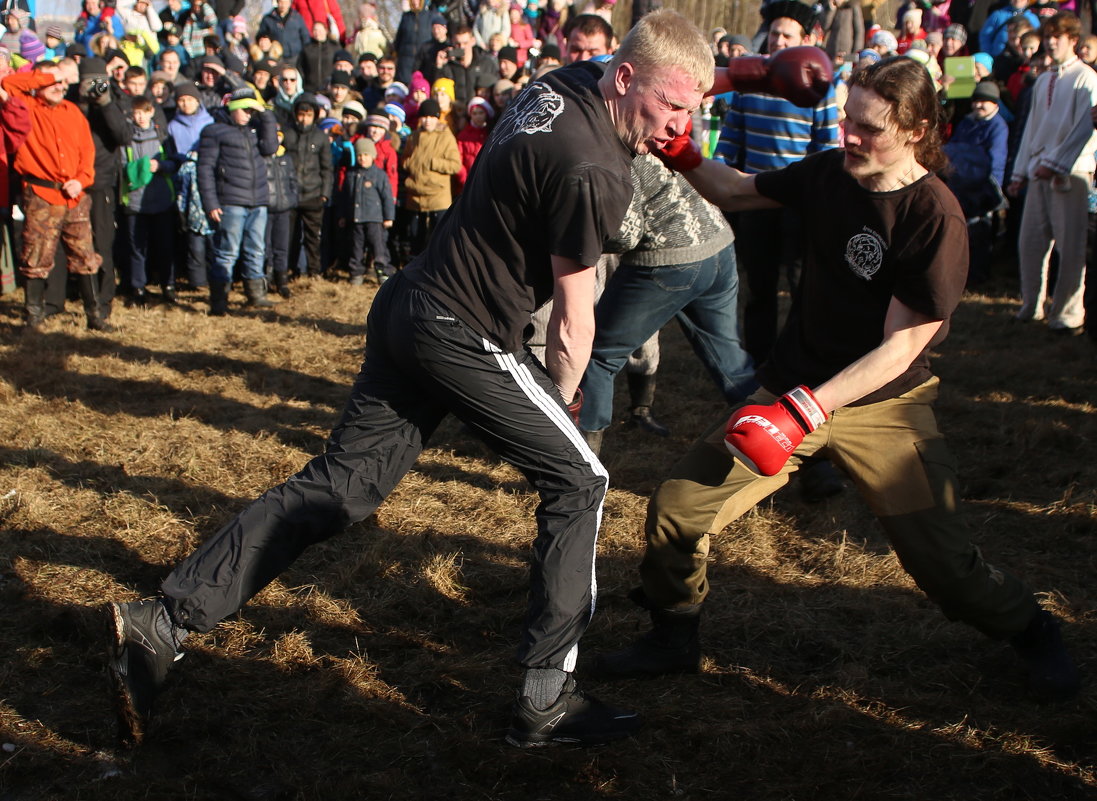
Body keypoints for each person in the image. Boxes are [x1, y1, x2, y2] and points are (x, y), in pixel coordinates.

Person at [105, 8, 831, 750]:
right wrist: (562, 399)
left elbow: (668, 90)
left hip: (410, 303)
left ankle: (162, 620)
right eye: (671, 107)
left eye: (691, 109)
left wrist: (723, 86)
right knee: (580, 481)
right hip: (462, 328)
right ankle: (546, 695)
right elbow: (575, 321)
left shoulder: (565, 82)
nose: (679, 125)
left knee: (344, 486)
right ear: (623, 78)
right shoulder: (595, 170)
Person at [595, 56, 1081, 705]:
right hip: (795, 383)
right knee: (678, 510)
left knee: (942, 565)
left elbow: (901, 345)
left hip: (883, 402)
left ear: (915, 129)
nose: (849, 136)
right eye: (846, 120)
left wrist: (801, 412)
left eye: (868, 128)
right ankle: (672, 635)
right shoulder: (829, 172)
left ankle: (1032, 627)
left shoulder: (933, 216)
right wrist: (681, 151)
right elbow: (738, 190)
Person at [577, 153, 756, 454]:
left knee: (598, 356)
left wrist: (577, 232)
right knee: (731, 363)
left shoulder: (614, 149)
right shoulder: (663, 131)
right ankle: (800, 454)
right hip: (718, 243)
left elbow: (625, 236)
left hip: (667, 259)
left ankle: (581, 463)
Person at [3, 62, 113, 332]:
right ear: (39, 83)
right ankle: (34, 316)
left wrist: (82, 179)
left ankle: (94, 315)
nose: (60, 87)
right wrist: (53, 74)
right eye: (54, 83)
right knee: (36, 256)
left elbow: (87, 153)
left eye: (64, 83)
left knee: (85, 255)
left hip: (74, 195)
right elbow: (8, 85)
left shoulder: (73, 112)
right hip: (41, 195)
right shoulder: (26, 108)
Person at [1008, 11, 1097, 334]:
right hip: (1037, 171)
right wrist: (1020, 172)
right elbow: (1031, 130)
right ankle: (1031, 305)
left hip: (1070, 174)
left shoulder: (1086, 77)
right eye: (1047, 36)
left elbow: (1085, 128)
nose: (1050, 42)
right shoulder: (1044, 79)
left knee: (1070, 246)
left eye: (1057, 36)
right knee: (1030, 241)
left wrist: (1057, 163)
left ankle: (1067, 315)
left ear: (1073, 40)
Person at [196, 87, 279, 313]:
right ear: (232, 108)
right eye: (244, 109)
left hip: (258, 201)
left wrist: (266, 115)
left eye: (251, 110)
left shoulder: (255, 129)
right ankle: (219, 301)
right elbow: (204, 169)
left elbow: (270, 147)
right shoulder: (214, 131)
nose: (247, 114)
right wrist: (211, 203)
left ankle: (256, 295)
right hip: (231, 201)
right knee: (227, 252)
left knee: (256, 250)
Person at [340, 137, 394, 284]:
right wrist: (343, 216)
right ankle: (356, 273)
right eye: (359, 155)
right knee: (356, 248)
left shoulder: (379, 175)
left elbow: (387, 197)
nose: (362, 158)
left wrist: (389, 216)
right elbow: (345, 197)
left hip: (374, 219)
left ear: (372, 156)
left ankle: (382, 272)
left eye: (366, 155)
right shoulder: (351, 174)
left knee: (378, 247)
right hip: (356, 219)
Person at [258, 0, 310, 66]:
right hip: (275, 56)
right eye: (281, 2)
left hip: (295, 57)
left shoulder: (297, 17)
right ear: (277, 2)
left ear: (290, 3)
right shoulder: (268, 19)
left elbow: (305, 36)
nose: (283, 5)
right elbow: (261, 36)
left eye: (286, 2)